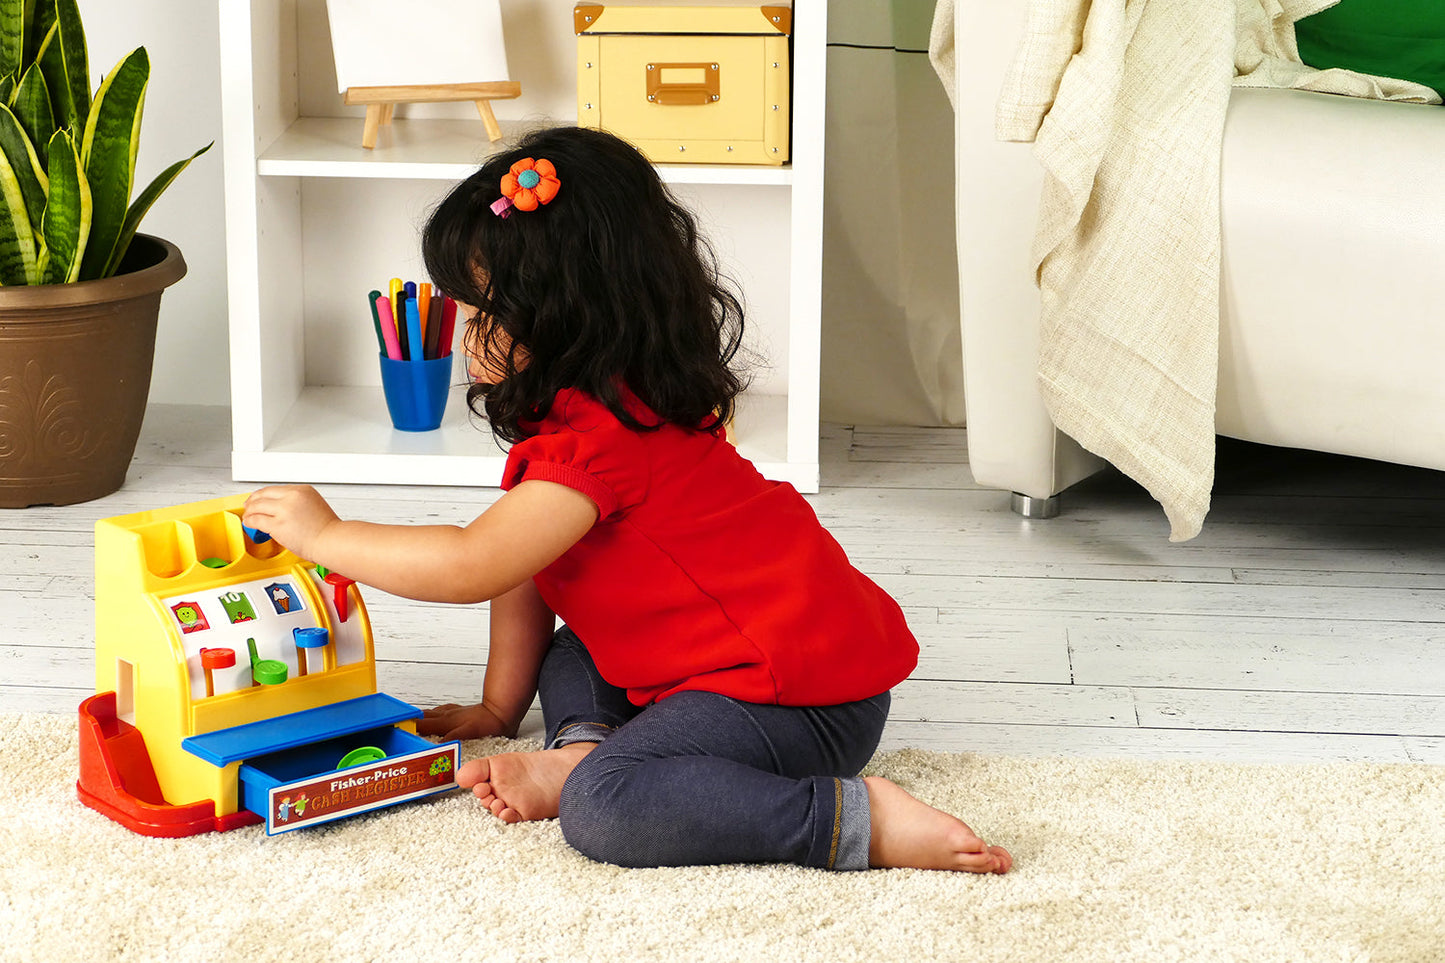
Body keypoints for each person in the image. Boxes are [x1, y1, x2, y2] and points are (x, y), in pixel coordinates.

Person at [242, 126, 1011, 875]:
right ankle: (579, 742)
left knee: (607, 807)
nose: (464, 338)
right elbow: (524, 565)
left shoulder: (599, 445)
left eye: (482, 317)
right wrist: (496, 708)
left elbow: (471, 563)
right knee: (577, 646)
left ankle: (855, 818)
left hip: (799, 700)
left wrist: (328, 534)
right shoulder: (596, 409)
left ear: (569, 314)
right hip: (733, 659)